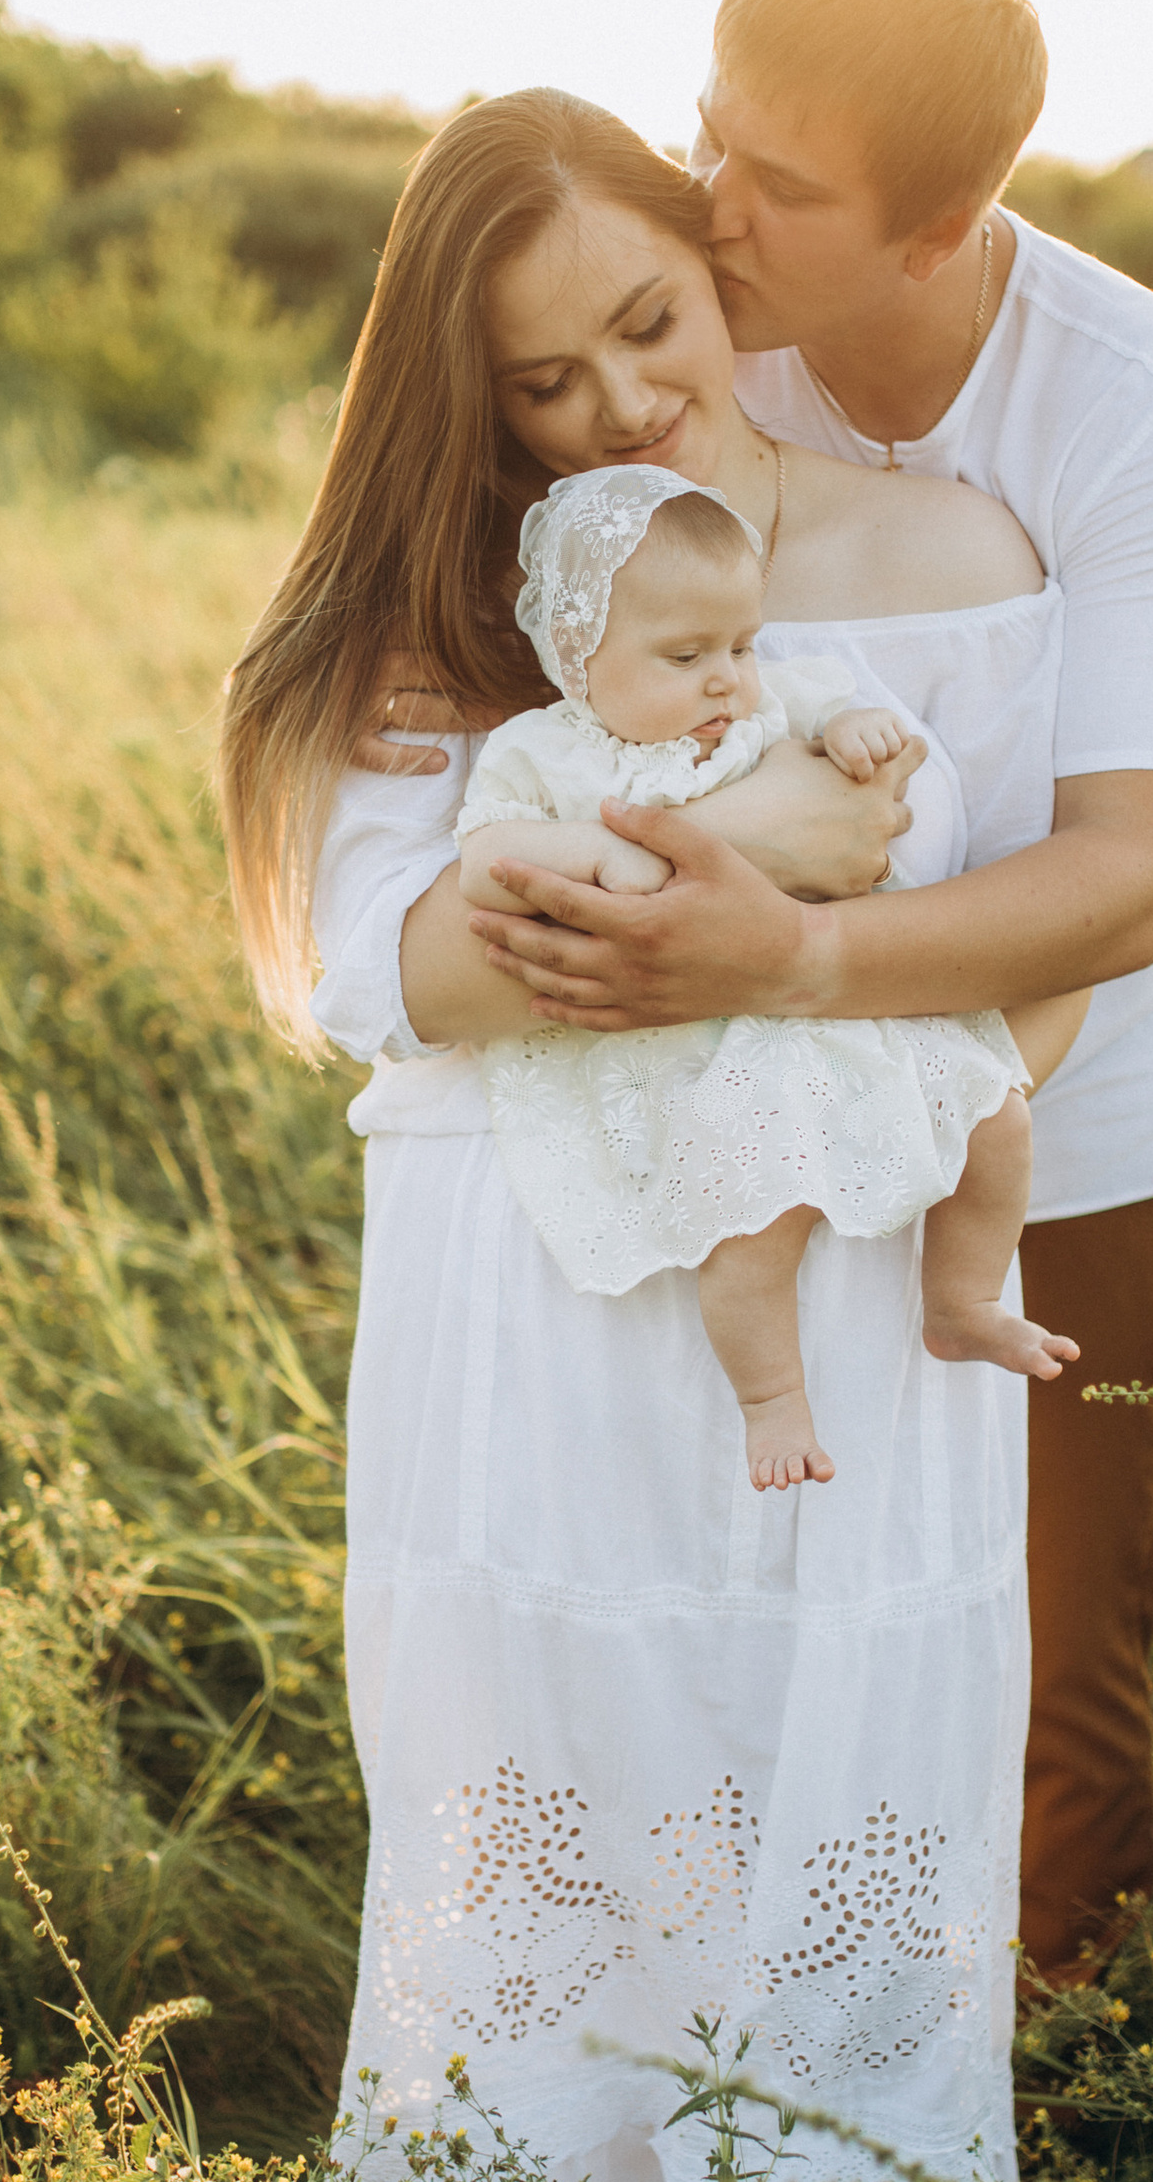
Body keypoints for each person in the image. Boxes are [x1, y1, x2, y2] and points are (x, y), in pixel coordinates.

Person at [217, 89, 1069, 2182]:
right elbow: (393, 970)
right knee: (561, 1747)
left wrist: (891, 1064)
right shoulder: (438, 620)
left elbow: (1063, 925)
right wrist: (753, 856)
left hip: (851, 1270)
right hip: (538, 1283)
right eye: (540, 380)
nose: (616, 403)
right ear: (466, 398)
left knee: (831, 1738)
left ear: (720, 261)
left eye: (646, 321)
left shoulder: (945, 555)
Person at [461, 0, 1153, 1995]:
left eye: (775, 186)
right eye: (707, 134)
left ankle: (1040, 2101)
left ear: (941, 226)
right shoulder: (687, 349)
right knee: (764, 1603)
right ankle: (758, 2036)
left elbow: (1121, 878)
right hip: (739, 1113)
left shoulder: (1135, 409)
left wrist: (787, 957)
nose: (708, 212)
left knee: (1052, 1637)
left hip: (1057, 1100)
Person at [458, 461, 1081, 1488]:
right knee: (754, 1219)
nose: (725, 678)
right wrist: (601, 855)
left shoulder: (768, 705)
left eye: (742, 644)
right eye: (685, 653)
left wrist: (850, 731)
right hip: (700, 1039)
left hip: (828, 1005)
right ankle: (770, 1400)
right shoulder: (549, 755)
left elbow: (832, 718)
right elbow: (484, 858)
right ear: (579, 657)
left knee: (995, 1116)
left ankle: (962, 1303)